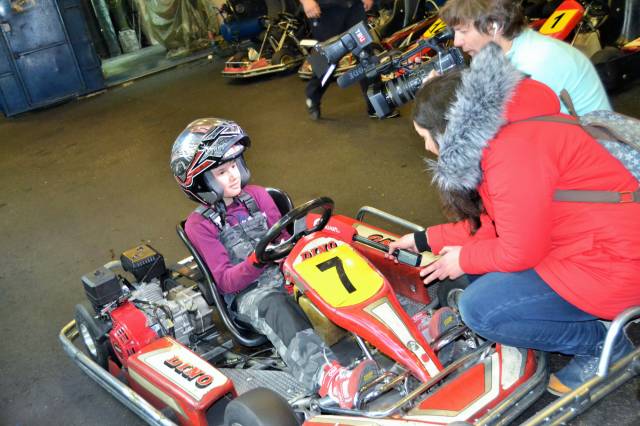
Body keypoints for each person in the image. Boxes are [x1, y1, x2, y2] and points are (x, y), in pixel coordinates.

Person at [388, 43, 639, 396]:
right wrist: (426, 239)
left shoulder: (511, 153)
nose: (429, 149)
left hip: (614, 266)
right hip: (598, 245)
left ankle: (602, 346)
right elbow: (496, 222)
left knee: (480, 310)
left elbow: (519, 250)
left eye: (428, 138)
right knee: (477, 271)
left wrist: (463, 259)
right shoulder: (509, 127)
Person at [170, 118, 376, 408]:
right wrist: (257, 260)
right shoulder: (199, 226)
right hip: (248, 294)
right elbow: (226, 282)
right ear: (201, 182)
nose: (233, 176)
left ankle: (389, 328)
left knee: (337, 265)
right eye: (222, 172)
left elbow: (285, 238)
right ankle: (327, 378)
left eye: (234, 166)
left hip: (285, 270)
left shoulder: (257, 196)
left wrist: (294, 248)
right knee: (277, 305)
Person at [437, 0, 611, 116]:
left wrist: (440, 102)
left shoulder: (535, 63)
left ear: (494, 26)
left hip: (595, 153)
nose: (457, 41)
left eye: (463, 31)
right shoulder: (508, 51)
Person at [301, 0, 398, 119]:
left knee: (366, 55)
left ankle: (377, 106)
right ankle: (312, 95)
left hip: (354, 7)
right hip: (324, 10)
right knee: (325, 59)